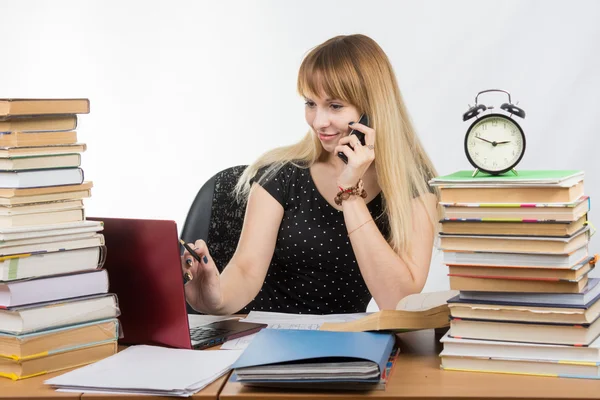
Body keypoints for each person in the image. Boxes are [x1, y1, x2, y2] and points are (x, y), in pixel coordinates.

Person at [182, 34, 439, 315]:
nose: (319, 122)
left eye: (335, 106)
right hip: (259, 339)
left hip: (344, 350)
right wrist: (214, 299)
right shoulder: (282, 175)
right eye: (310, 103)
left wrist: (350, 192)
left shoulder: (412, 184)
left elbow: (397, 302)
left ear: (372, 110)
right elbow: (245, 271)